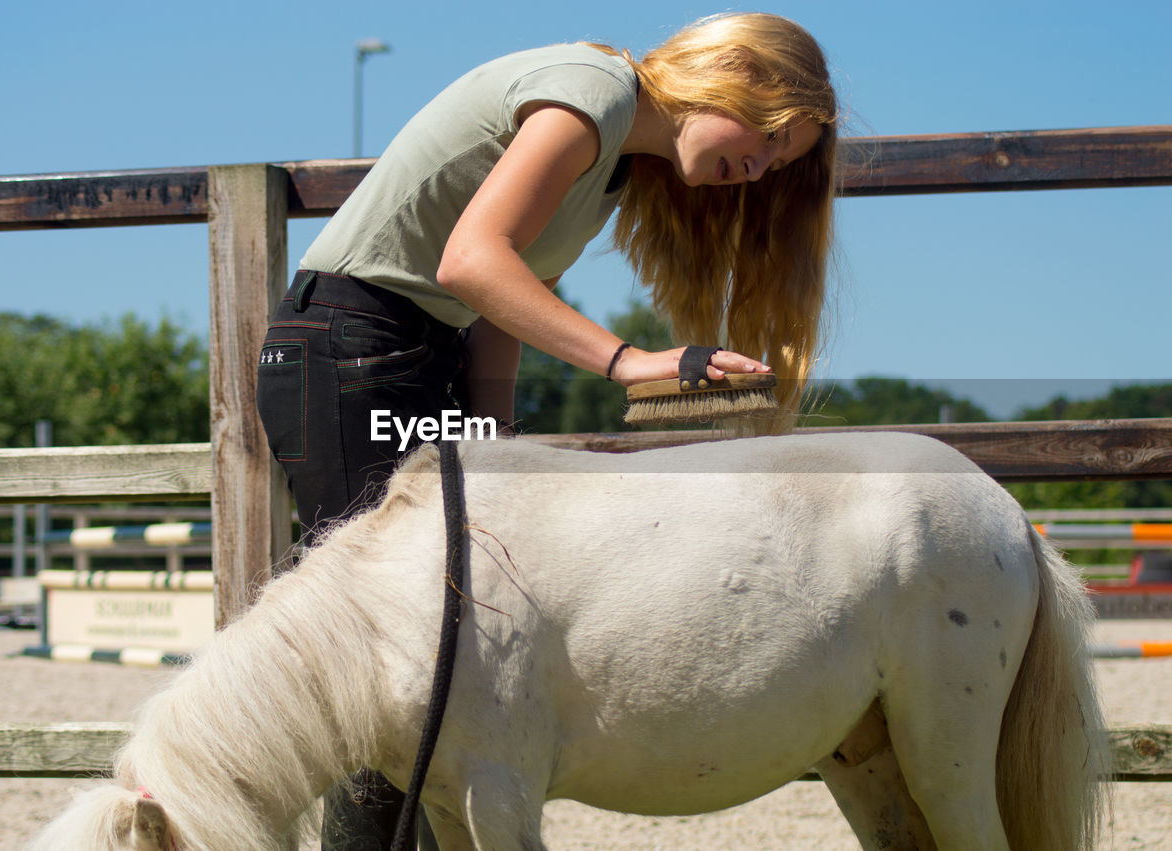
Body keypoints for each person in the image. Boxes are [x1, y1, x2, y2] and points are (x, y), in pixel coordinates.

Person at [255, 11, 839, 848]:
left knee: (435, 654)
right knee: (384, 655)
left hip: (419, 352)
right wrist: (627, 359)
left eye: (778, 162)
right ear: (735, 72)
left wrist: (497, 443)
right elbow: (472, 262)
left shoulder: (610, 172)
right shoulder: (591, 94)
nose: (759, 169)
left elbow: (503, 305)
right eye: (773, 136)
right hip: (348, 349)